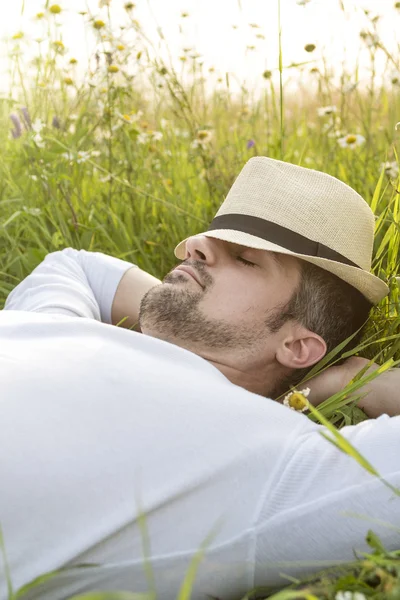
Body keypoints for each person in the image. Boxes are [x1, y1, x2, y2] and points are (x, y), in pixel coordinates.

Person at [1, 157, 399, 600]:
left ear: (297, 345)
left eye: (245, 258)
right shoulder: (65, 325)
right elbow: (74, 265)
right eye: (208, 239)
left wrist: (356, 384)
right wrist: (188, 317)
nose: (193, 245)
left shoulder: (270, 463)